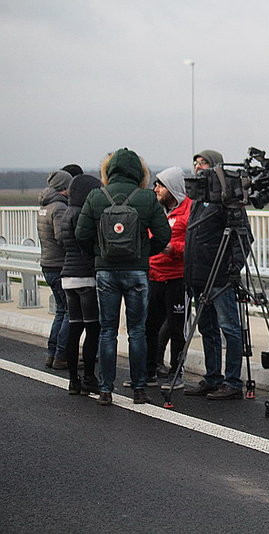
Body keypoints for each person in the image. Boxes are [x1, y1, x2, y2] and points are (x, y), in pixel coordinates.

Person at [75, 148, 171, 406]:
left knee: (108, 331)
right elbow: (164, 236)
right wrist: (143, 254)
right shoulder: (146, 198)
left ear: (110, 170)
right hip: (137, 272)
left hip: (106, 271)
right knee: (137, 331)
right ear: (139, 172)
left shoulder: (97, 196)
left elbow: (81, 234)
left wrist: (97, 256)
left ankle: (106, 390)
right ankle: (139, 389)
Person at [183, 150, 250, 400]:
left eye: (205, 163)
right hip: (199, 276)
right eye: (196, 163)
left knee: (229, 328)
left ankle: (233, 381)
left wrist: (234, 268)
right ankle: (213, 377)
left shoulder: (227, 199)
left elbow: (243, 237)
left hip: (220, 277)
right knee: (207, 328)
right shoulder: (199, 199)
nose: (199, 167)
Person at [144, 166, 191, 391]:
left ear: (172, 187)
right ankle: (150, 370)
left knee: (176, 327)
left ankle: (176, 372)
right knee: (150, 325)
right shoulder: (156, 210)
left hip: (177, 277)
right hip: (154, 274)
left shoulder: (188, 210)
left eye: (160, 185)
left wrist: (173, 248)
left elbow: (194, 243)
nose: (156, 189)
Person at [58, 174, 102, 395]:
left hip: (68, 276)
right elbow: (87, 244)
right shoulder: (83, 214)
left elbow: (61, 241)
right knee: (93, 328)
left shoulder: (66, 213)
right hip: (86, 277)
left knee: (75, 328)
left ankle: (73, 381)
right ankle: (89, 378)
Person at [37, 169, 72, 370]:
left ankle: (52, 353)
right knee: (68, 311)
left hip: (47, 263)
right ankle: (60, 355)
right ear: (63, 187)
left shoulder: (44, 206)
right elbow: (61, 237)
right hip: (59, 264)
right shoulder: (59, 207)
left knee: (60, 310)